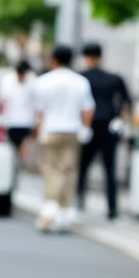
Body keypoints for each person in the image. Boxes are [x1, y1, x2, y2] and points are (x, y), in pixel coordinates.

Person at [33, 44, 95, 232]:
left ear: (53, 59)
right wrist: (86, 128)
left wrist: (39, 130)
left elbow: (39, 111)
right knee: (69, 170)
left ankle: (50, 209)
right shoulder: (80, 81)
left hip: (51, 130)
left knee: (52, 170)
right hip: (73, 131)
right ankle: (66, 210)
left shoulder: (43, 81)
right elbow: (88, 109)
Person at [78, 41, 132, 220]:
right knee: (110, 169)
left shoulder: (81, 78)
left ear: (86, 57)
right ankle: (112, 208)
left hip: (89, 126)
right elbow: (127, 103)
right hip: (109, 126)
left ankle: (79, 202)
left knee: (83, 167)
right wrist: (121, 121)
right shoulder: (114, 78)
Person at [0, 59, 37, 160]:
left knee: (24, 152)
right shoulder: (7, 81)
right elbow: (2, 103)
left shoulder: (32, 80)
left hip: (27, 122)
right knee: (12, 151)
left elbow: (36, 104)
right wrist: (2, 120)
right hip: (11, 122)